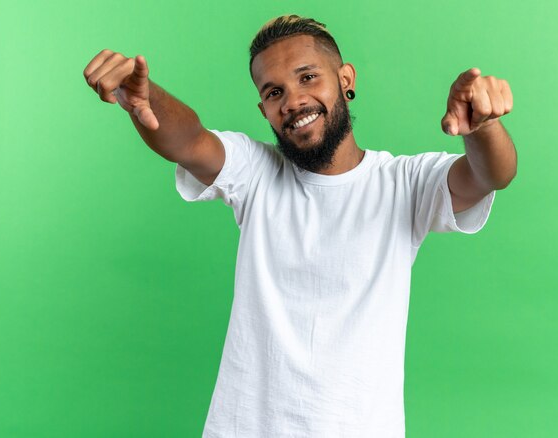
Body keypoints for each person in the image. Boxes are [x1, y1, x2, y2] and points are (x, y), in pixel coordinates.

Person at [83, 14, 516, 438]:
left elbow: (488, 175)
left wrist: (483, 127)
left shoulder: (404, 184)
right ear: (263, 109)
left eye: (308, 77)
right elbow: (189, 140)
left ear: (346, 79)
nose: (292, 101)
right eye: (274, 92)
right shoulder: (255, 173)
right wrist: (143, 99)